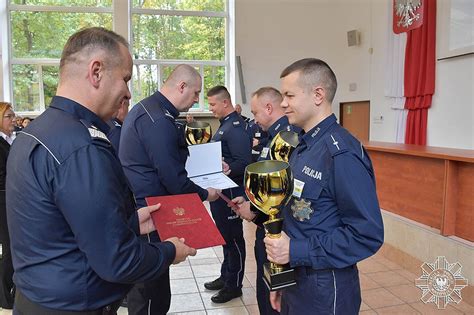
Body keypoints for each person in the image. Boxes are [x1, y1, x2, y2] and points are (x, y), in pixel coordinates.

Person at [6, 27, 196, 315]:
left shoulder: (38, 131)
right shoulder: (82, 146)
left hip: (37, 298)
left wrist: (129, 221)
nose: (128, 92)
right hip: (74, 306)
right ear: (96, 72)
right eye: (125, 79)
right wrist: (169, 251)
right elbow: (117, 261)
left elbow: (61, 227)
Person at [262, 58, 384, 314]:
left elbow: (366, 234)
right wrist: (282, 278)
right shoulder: (303, 146)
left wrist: (294, 251)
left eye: (289, 95)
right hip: (297, 279)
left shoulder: (341, 154)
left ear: (318, 94)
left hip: (325, 288)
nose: (282, 103)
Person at [119, 64, 220, 315]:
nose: (197, 99)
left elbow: (171, 157)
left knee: (154, 286)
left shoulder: (152, 110)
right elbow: (173, 177)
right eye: (196, 93)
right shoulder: (157, 120)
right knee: (152, 292)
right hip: (149, 211)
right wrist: (206, 194)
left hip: (146, 206)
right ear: (181, 86)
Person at [231, 86, 297, 314]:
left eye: (256, 113)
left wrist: (255, 210)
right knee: (265, 288)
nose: (255, 120)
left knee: (273, 296)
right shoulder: (274, 136)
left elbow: (282, 191)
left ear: (269, 108)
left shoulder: (286, 137)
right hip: (268, 229)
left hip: (277, 229)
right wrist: (249, 199)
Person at [204, 86, 252, 303]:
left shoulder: (236, 127)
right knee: (224, 236)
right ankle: (226, 276)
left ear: (225, 102)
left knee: (233, 239)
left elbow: (245, 162)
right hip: (220, 192)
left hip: (232, 193)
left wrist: (227, 167)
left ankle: (235, 285)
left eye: (213, 104)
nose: (210, 108)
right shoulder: (224, 126)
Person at [0, 102, 16, 309]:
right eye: (9, 116)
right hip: (3, 200)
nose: (13, 120)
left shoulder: (9, 141)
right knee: (9, 248)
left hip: (9, 199)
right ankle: (4, 296)